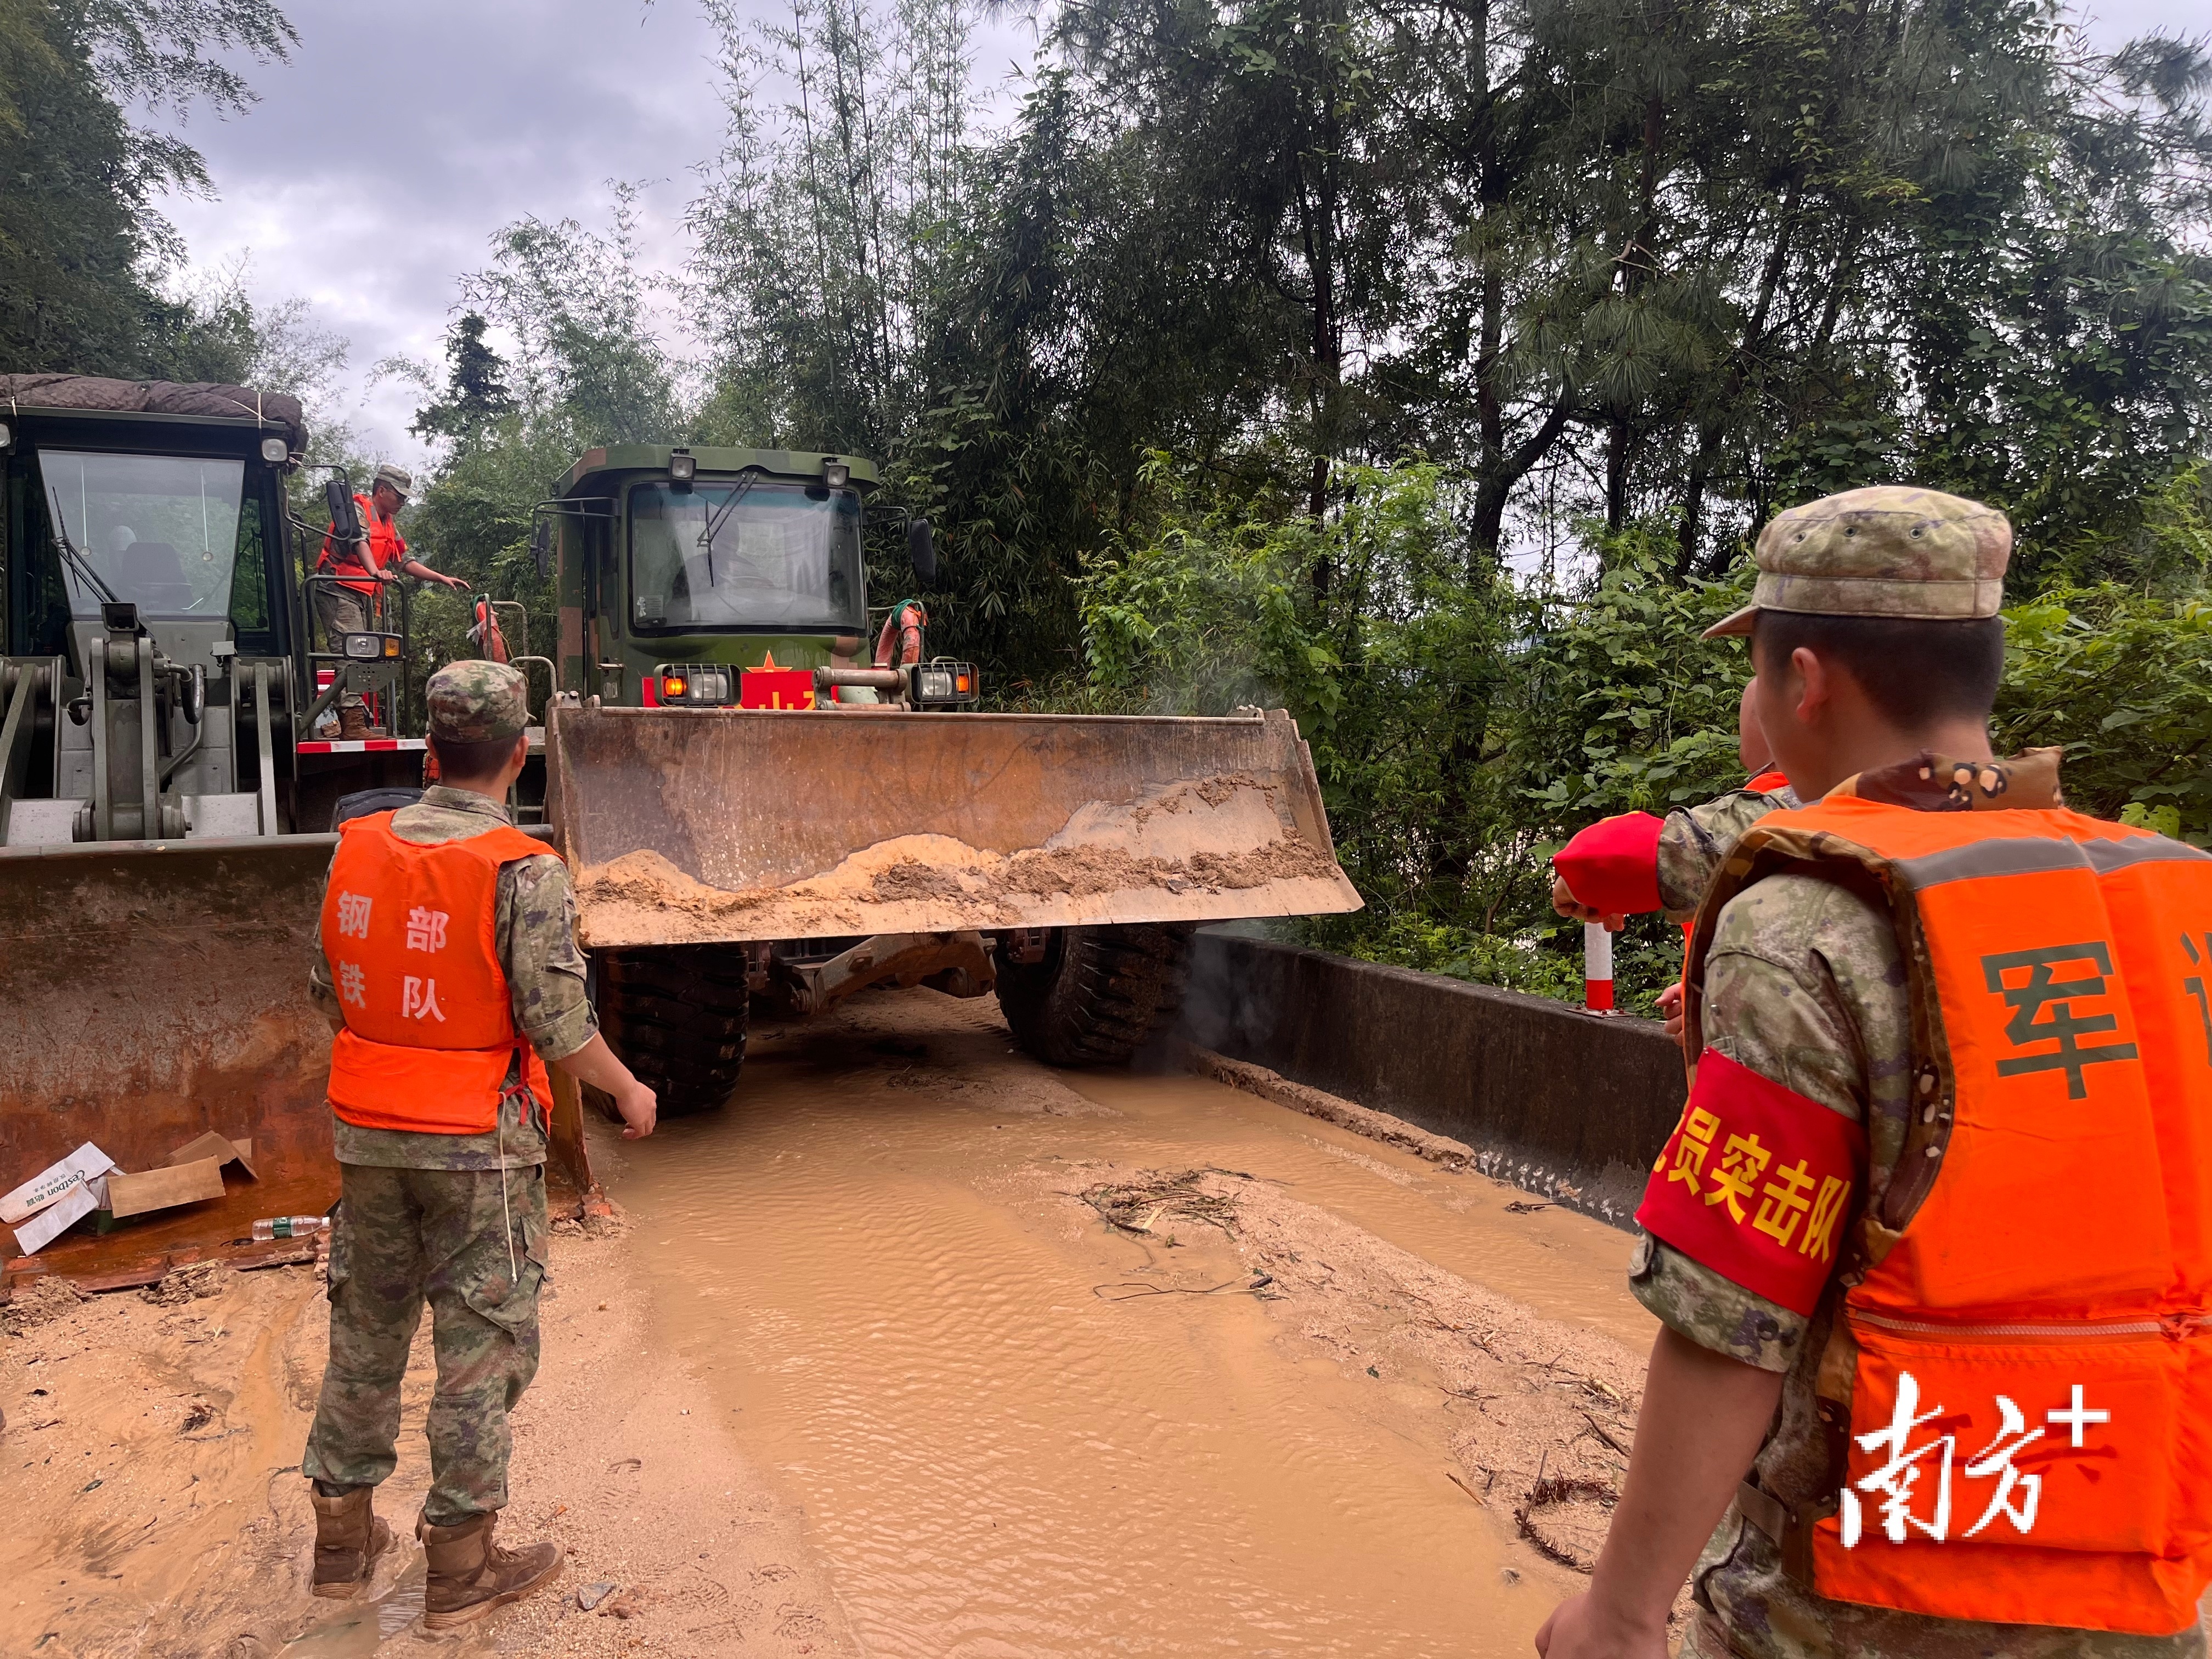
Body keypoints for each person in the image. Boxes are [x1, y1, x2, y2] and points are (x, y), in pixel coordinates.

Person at [1535, 485, 2212, 1658]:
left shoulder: (1806, 921)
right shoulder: (2172, 893)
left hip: (1871, 1600)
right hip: (2139, 1575)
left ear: (1805, 682)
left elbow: (1732, 1317)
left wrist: (1620, 1613)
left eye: (1752, 673)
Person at [301, 660, 659, 1628]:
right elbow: (556, 1026)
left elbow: (329, 987)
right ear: (518, 757)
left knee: (366, 1330)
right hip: (474, 1144)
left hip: (367, 1131)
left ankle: (341, 1547)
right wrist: (627, 1087)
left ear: (426, 751)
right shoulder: (523, 869)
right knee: (477, 1345)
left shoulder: (353, 848)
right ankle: (459, 1568)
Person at [1551, 681, 1796, 1037]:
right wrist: (1720, 991)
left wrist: (1571, 882)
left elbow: (1605, 857)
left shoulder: (1786, 809)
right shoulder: (1893, 802)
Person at [318, 464, 469, 738]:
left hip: (362, 593)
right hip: (336, 588)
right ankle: (352, 724)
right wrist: (375, 572)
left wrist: (442, 578)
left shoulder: (388, 523)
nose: (403, 501)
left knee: (365, 653)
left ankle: (350, 718)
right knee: (350, 652)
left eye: (405, 497)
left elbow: (404, 561)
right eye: (399, 495)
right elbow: (359, 541)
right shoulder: (358, 509)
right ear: (382, 490)